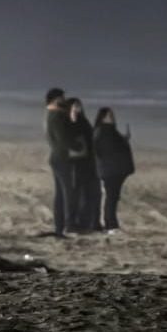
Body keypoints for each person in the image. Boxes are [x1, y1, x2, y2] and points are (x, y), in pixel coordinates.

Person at [43, 88, 81, 238]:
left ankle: (61, 225)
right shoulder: (57, 116)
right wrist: (77, 146)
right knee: (68, 192)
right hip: (61, 157)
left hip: (56, 157)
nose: (64, 100)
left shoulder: (50, 114)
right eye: (62, 98)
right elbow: (64, 138)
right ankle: (68, 225)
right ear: (55, 99)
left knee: (61, 193)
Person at [93, 107, 135, 234]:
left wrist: (124, 139)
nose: (112, 118)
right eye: (108, 116)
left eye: (112, 115)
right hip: (110, 169)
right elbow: (101, 150)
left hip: (115, 169)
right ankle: (110, 225)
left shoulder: (109, 131)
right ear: (102, 117)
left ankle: (111, 224)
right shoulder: (102, 131)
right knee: (111, 197)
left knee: (113, 197)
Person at [65, 98, 102, 233]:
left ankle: (90, 222)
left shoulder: (84, 122)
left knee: (90, 194)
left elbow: (91, 139)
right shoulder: (66, 124)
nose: (77, 109)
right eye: (74, 107)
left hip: (88, 163)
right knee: (74, 194)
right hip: (74, 164)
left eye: (78, 107)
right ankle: (71, 223)